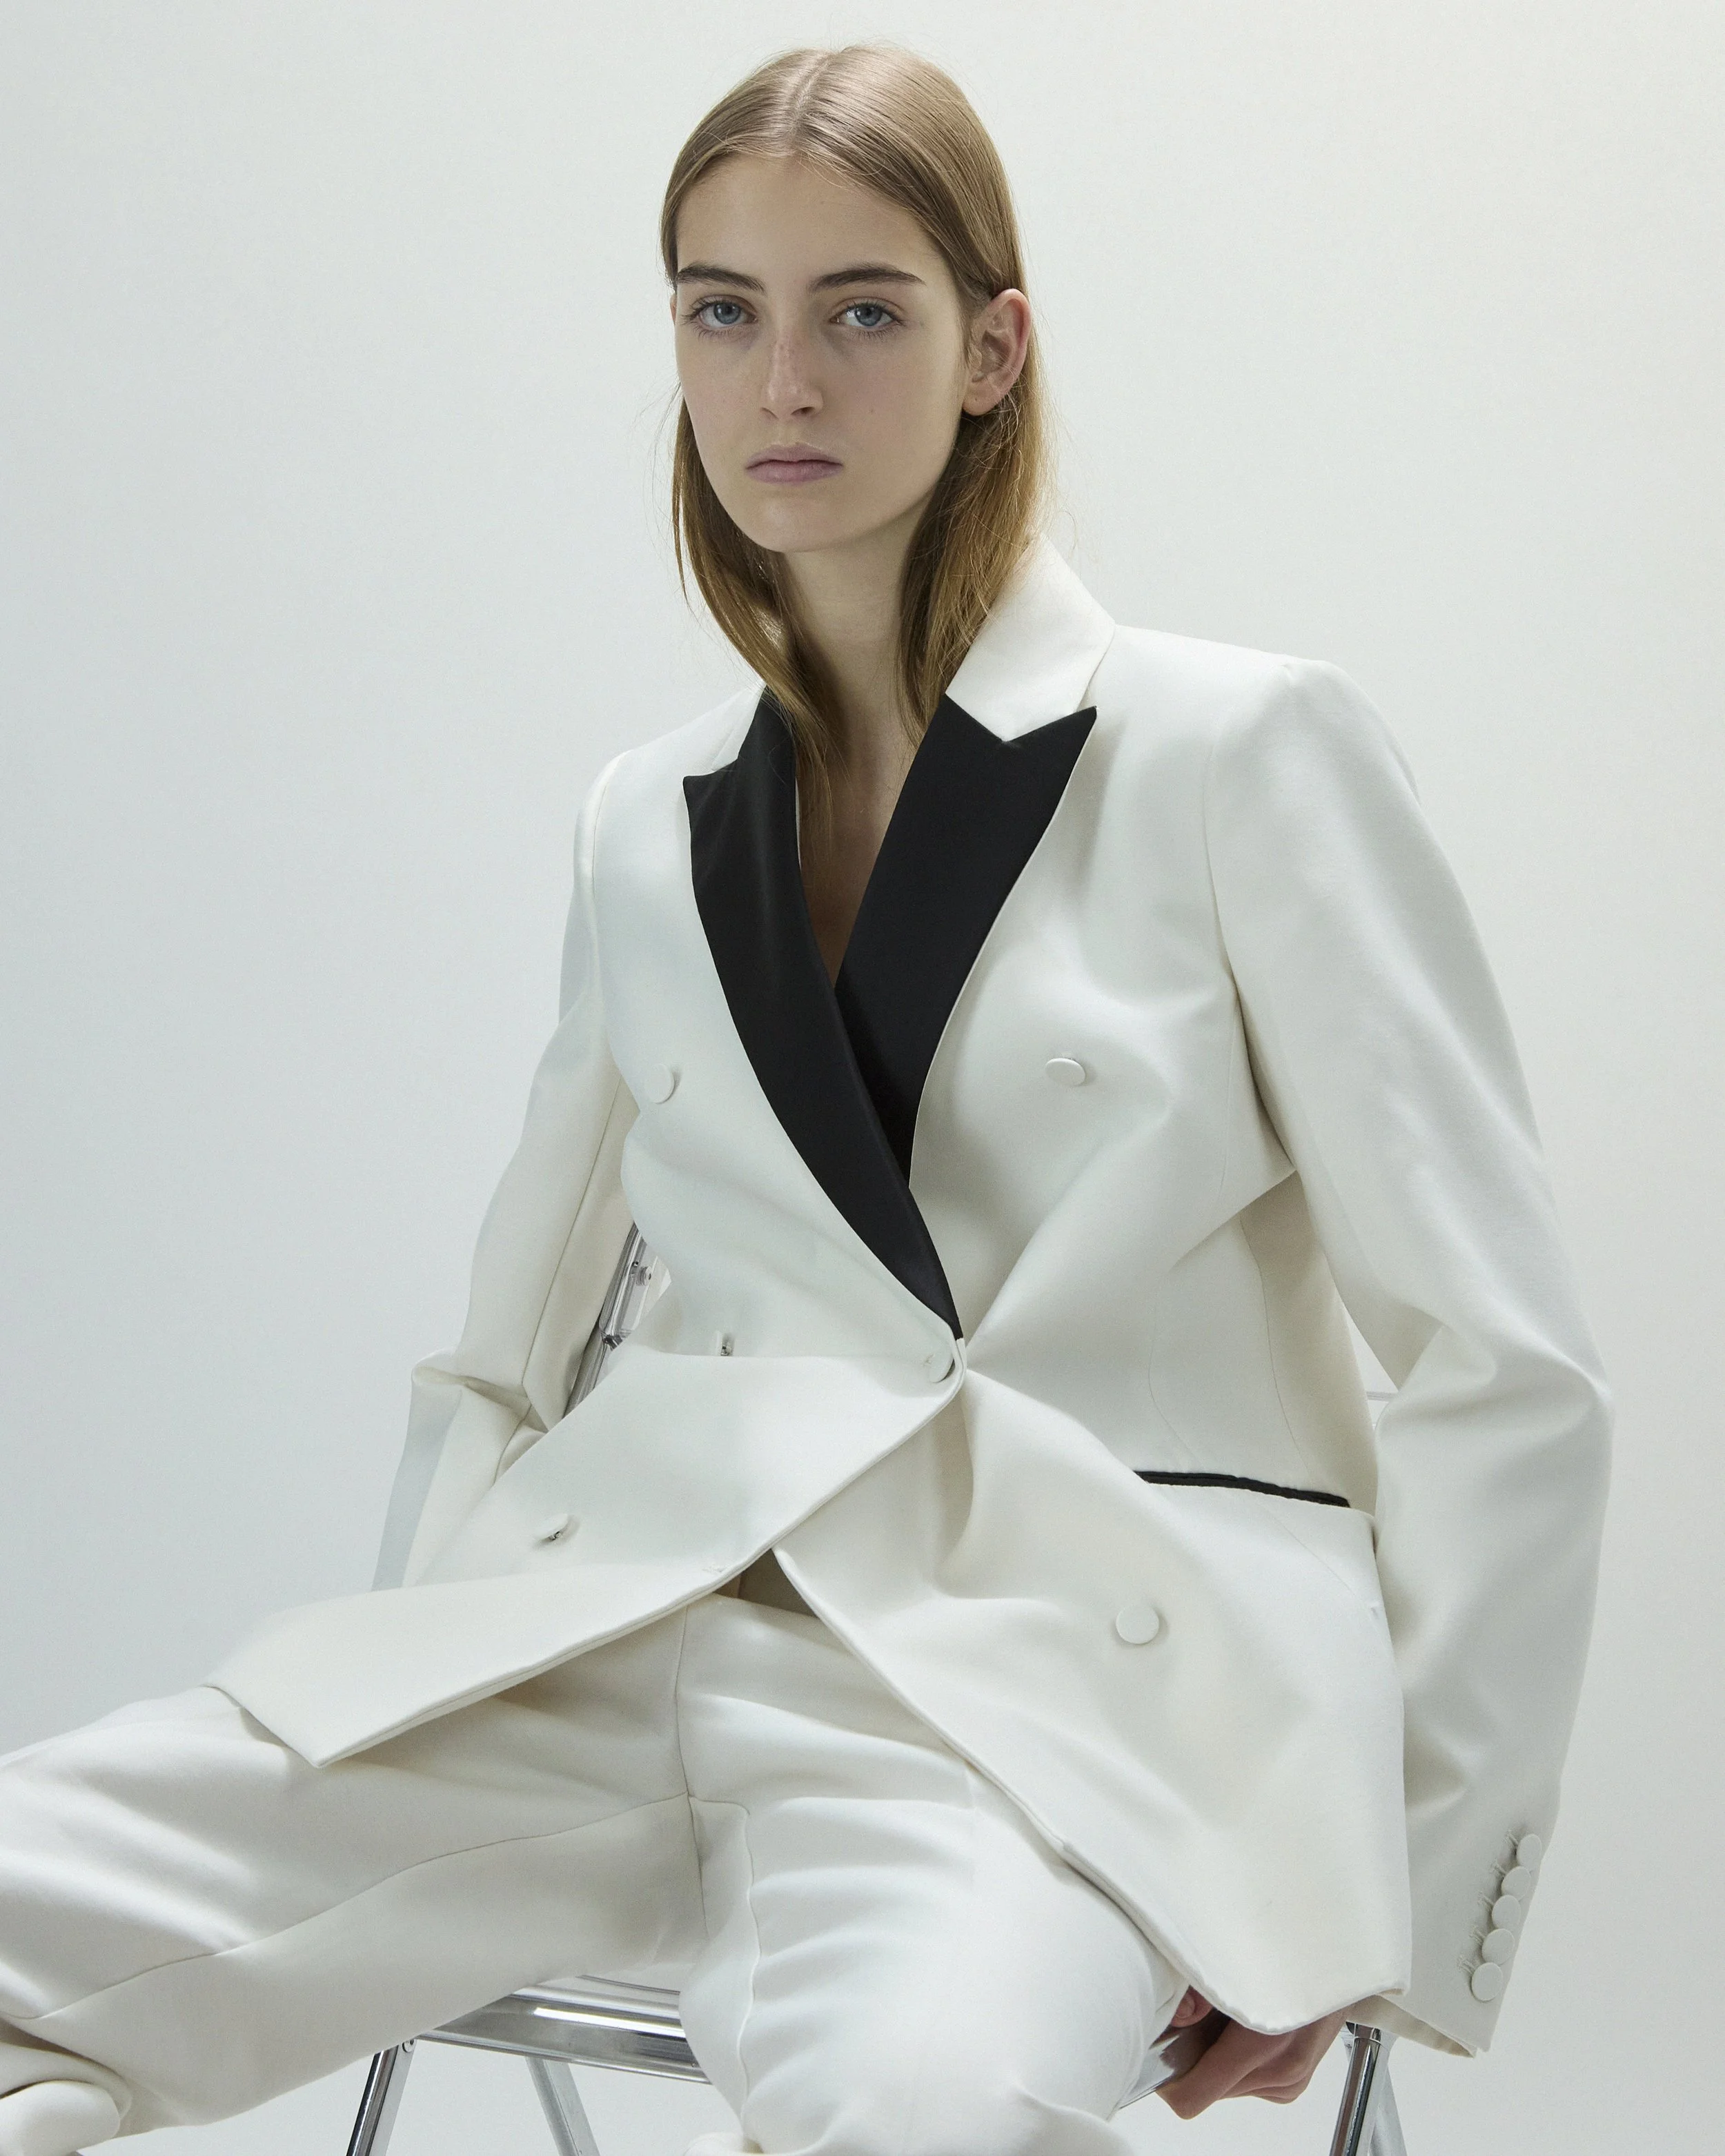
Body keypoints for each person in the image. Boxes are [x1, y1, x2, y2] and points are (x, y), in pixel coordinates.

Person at [0, 41, 1610, 2156]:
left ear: (990, 348)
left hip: (1049, 1712)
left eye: (861, 309)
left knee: (928, 2110)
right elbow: (506, 1353)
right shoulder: (647, 817)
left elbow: (1504, 1366)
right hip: (605, 1641)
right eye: (720, 310)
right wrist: (425, 1653)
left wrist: (1377, 1880)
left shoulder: (1236, 754)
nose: (781, 380)